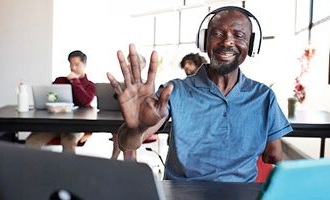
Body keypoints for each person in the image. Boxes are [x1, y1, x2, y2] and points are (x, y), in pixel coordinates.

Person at [106, 7, 292, 182]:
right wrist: (137, 128)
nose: (227, 41)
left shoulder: (264, 96)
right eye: (218, 33)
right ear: (204, 41)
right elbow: (126, 144)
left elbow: (273, 155)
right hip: (181, 194)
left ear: (251, 45)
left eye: (238, 35)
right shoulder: (174, 90)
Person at [26, 50, 96, 153]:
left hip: (76, 126)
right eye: (71, 64)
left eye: (77, 64)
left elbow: (84, 102)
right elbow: (50, 97)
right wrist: (53, 103)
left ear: (84, 65)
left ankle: (68, 169)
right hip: (55, 124)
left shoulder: (90, 85)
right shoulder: (60, 81)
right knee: (31, 142)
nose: (73, 68)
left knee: (68, 141)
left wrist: (75, 81)